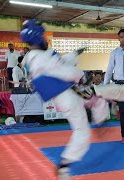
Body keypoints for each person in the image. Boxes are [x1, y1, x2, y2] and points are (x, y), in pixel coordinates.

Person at [20, 19, 109, 180]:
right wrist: (81, 75)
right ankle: (64, 165)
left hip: (69, 93)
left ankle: (99, 120)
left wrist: (75, 54)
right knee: (82, 131)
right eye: (44, 37)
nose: (46, 39)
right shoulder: (39, 58)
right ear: (38, 38)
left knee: (97, 100)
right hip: (66, 96)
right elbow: (65, 71)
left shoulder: (38, 56)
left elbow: (60, 63)